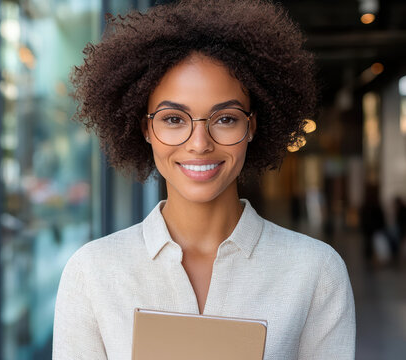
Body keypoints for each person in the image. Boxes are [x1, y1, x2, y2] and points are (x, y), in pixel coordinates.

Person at [53, 0, 355, 359]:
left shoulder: (316, 272)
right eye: (173, 119)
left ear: (252, 127)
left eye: (225, 118)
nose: (200, 144)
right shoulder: (93, 273)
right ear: (146, 129)